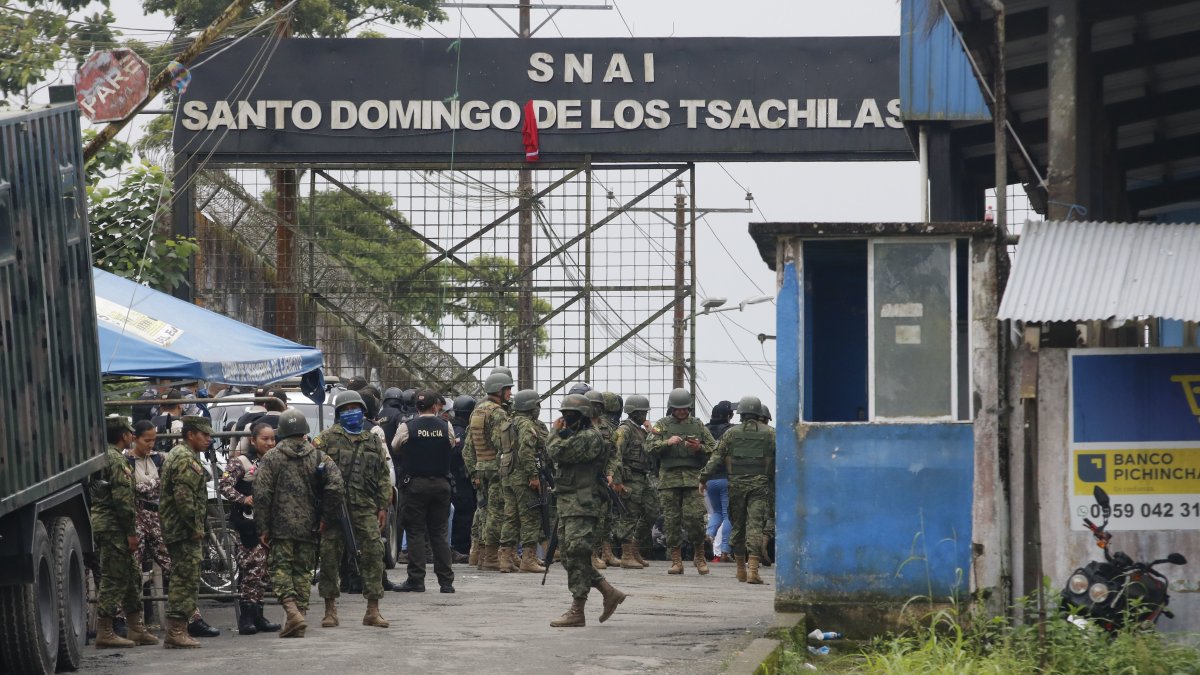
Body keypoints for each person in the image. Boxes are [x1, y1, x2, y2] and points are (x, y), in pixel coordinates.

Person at [255, 409, 344, 638]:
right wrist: (325, 518)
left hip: (280, 527)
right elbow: (336, 487)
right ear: (305, 431)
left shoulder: (271, 457)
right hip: (310, 526)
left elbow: (262, 494)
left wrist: (262, 528)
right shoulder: (318, 457)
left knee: (280, 570)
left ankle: (293, 613)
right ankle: (299, 618)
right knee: (303, 573)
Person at [123, 421, 215, 639]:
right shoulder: (127, 460)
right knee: (132, 570)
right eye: (147, 440)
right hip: (141, 517)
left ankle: (190, 621)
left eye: (154, 439)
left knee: (177, 571)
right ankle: (130, 623)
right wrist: (194, 526)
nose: (151, 444)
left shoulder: (161, 458)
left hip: (158, 518)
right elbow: (181, 496)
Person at [547, 394, 628, 627]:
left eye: (572, 416)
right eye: (565, 415)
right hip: (568, 503)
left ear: (584, 417)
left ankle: (577, 610)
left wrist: (555, 432)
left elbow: (556, 452)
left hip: (582, 503)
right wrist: (561, 433)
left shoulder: (589, 437)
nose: (567, 419)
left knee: (577, 553)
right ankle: (608, 591)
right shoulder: (576, 435)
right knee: (570, 557)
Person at [315, 390, 392, 629]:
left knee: (373, 553)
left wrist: (383, 506)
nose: (352, 413)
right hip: (334, 508)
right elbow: (313, 472)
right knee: (329, 556)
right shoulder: (326, 439)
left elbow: (383, 475)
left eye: (355, 408)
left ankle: (372, 609)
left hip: (365, 507)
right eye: (346, 409)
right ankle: (330, 609)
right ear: (339, 414)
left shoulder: (372, 440)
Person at [92, 415, 155, 648]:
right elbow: (122, 499)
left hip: (110, 524)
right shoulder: (117, 461)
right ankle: (105, 631)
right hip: (113, 526)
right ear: (123, 435)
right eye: (130, 433)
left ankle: (136, 627)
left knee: (131, 575)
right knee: (113, 577)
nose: (132, 436)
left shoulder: (106, 456)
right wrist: (131, 532)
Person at [700, 396, 776, 584]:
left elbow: (716, 457)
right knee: (755, 525)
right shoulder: (770, 434)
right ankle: (753, 570)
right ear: (759, 413)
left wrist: (703, 478)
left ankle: (741, 569)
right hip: (760, 485)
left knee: (738, 525)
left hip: (735, 485)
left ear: (740, 413)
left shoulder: (731, 433)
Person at [219, 422, 283, 635]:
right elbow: (224, 485)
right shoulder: (241, 462)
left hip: (268, 525)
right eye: (265, 439)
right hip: (247, 525)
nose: (270, 443)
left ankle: (258, 615)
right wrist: (243, 499)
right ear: (253, 440)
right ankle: (246, 618)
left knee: (264, 572)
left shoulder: (274, 461)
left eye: (272, 438)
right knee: (251, 571)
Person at [393, 389, 457, 592]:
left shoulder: (407, 427)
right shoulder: (446, 426)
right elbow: (451, 446)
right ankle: (446, 582)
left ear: (416, 407)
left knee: (415, 532)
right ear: (436, 406)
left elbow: (395, 446)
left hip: (415, 486)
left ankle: (416, 580)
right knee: (439, 533)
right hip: (441, 484)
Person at [647, 388, 715, 575]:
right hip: (669, 479)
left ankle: (699, 556)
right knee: (671, 520)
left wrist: (698, 447)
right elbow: (649, 446)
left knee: (695, 518)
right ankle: (676, 560)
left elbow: (713, 448)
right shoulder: (662, 425)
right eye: (678, 409)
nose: (682, 412)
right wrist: (666, 443)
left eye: (685, 409)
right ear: (671, 408)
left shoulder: (698, 425)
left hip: (693, 478)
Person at [159, 415, 213, 648]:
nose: (209, 439)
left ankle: (177, 630)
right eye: (205, 435)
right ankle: (176, 631)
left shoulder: (183, 455)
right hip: (183, 530)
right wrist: (194, 527)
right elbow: (184, 497)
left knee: (185, 578)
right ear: (190, 435)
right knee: (185, 580)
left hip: (179, 528)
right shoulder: (184, 459)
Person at [462, 371, 514, 571]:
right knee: (496, 513)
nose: (510, 393)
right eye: (508, 389)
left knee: (483, 510)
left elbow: (468, 449)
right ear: (499, 390)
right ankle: (491, 557)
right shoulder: (498, 413)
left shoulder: (477, 411)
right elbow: (500, 443)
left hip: (480, 468)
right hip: (496, 469)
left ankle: (479, 554)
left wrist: (474, 472)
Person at [499, 389, 548, 574]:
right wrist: (533, 476)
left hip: (508, 475)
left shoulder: (509, 423)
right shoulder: (527, 425)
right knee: (530, 517)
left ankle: (506, 559)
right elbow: (526, 453)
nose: (539, 409)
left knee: (510, 517)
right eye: (537, 405)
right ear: (530, 407)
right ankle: (528, 558)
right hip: (523, 477)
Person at [613, 395, 657, 569]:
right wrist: (617, 480)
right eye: (643, 412)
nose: (645, 414)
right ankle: (626, 554)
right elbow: (615, 454)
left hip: (643, 477)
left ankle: (635, 547)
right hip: (630, 477)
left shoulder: (640, 430)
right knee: (629, 515)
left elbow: (649, 451)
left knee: (652, 510)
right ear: (635, 412)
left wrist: (651, 432)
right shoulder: (625, 429)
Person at [704, 401, 735, 563]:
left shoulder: (705, 429)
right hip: (726, 477)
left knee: (716, 513)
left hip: (709, 478)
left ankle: (709, 535)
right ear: (728, 416)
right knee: (727, 514)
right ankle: (725, 551)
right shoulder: (731, 431)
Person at [449, 394, 477, 558]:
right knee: (465, 513)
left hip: (453, 478)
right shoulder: (462, 432)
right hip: (462, 481)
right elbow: (463, 454)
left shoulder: (452, 428)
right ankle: (461, 548)